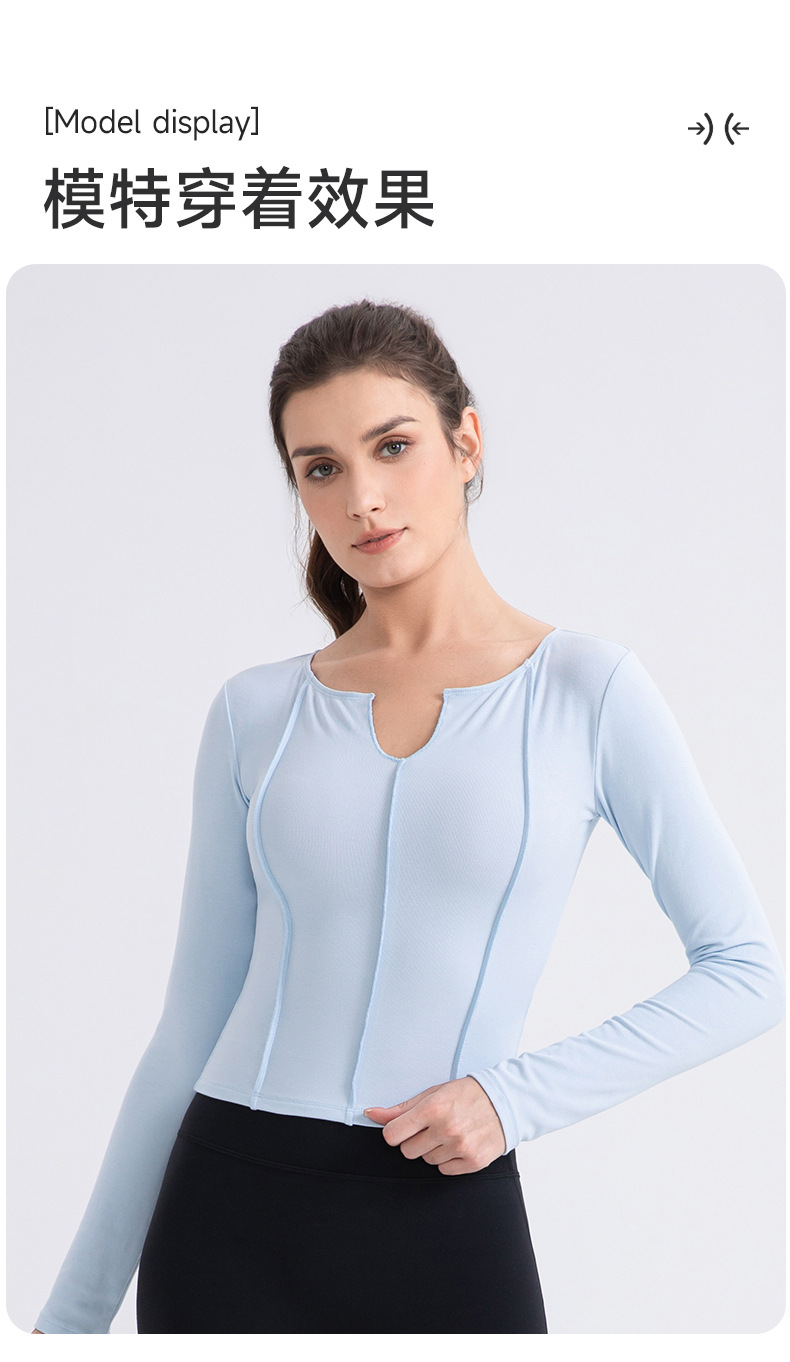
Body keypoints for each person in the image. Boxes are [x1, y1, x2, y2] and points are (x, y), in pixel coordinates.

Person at [33, 299, 785, 1334]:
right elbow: (185, 1033)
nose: (363, 498)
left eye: (392, 446)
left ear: (465, 441)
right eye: (321, 468)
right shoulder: (256, 713)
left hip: (444, 1217)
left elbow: (747, 972)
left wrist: (513, 1100)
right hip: (224, 1215)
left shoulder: (586, 690)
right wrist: (71, 1321)